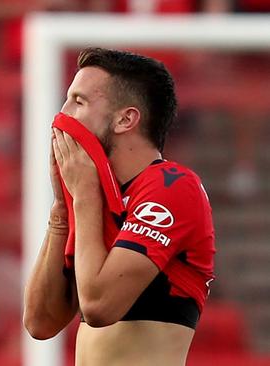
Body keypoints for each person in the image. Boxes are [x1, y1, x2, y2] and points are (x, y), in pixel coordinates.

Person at [23, 48, 215, 365]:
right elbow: (40, 322)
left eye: (78, 102)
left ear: (125, 119)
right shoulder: (97, 198)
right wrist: (61, 210)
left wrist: (83, 196)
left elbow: (99, 306)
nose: (63, 114)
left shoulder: (172, 185)